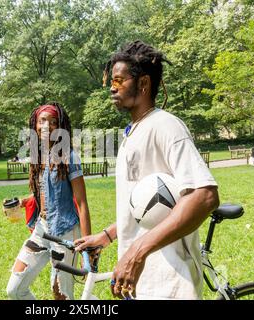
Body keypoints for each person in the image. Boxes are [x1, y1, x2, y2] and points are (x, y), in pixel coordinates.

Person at [74, 41, 220, 300]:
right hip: (141, 282)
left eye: (119, 81)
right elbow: (149, 206)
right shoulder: (133, 132)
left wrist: (136, 252)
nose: (112, 87)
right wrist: (108, 236)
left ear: (143, 84)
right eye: (112, 80)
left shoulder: (166, 126)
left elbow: (205, 196)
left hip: (170, 282)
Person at [6, 102, 92, 300]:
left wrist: (87, 246)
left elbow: (82, 204)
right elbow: (44, 193)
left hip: (65, 232)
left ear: (60, 127)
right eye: (42, 121)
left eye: (53, 122)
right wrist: (23, 201)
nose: (47, 126)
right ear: (35, 125)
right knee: (15, 289)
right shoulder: (38, 156)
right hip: (42, 229)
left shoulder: (70, 157)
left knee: (61, 295)